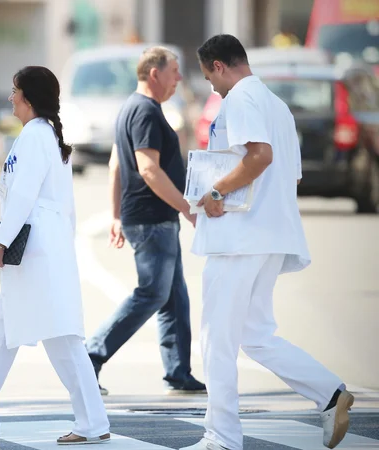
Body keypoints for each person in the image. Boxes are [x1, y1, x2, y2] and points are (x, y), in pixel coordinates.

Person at [180, 34, 352, 450]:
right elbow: (289, 174)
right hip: (270, 235)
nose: (212, 87)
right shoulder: (277, 105)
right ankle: (330, 393)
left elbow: (259, 156)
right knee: (256, 336)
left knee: (217, 339)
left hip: (239, 238)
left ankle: (220, 438)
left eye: (209, 77)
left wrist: (216, 193)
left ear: (220, 66)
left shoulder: (238, 99)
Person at [0, 66, 111, 445]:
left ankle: (93, 423)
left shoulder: (36, 136)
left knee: (62, 340)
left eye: (14, 91)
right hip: (37, 252)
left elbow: (25, 195)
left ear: (28, 98)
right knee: (2, 336)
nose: (10, 97)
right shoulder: (41, 135)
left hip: (36, 253)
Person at [84, 46, 205, 397]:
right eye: (174, 71)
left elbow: (116, 166)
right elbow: (147, 168)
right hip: (153, 218)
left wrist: (116, 215)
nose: (179, 78)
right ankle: (91, 354)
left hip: (150, 216)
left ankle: (178, 370)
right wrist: (186, 207)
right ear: (154, 73)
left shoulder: (131, 109)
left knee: (173, 296)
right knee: (153, 293)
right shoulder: (146, 112)